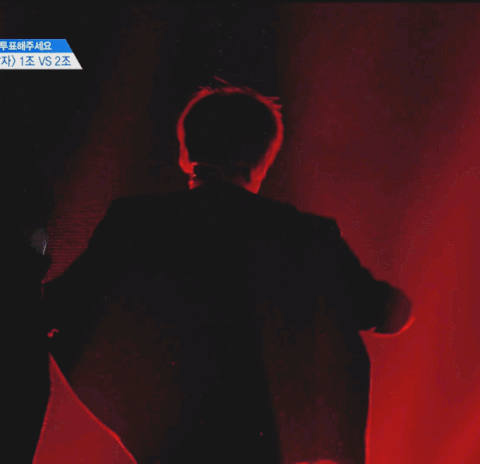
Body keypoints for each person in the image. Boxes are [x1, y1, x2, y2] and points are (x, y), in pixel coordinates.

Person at [43, 80, 412, 464]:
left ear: (187, 151)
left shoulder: (134, 221)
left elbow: (59, 305)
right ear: (264, 158)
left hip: (169, 446)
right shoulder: (306, 235)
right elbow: (387, 313)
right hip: (265, 445)